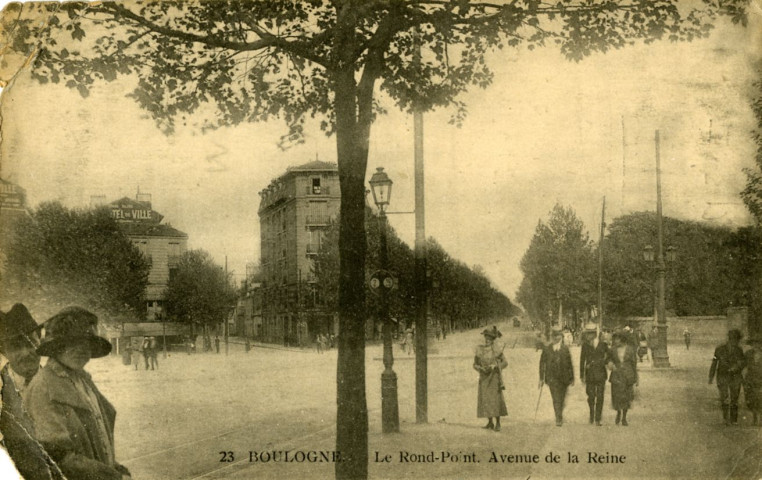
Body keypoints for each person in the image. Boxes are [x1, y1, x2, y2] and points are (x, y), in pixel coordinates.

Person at [24, 306, 132, 480]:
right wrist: (112, 477)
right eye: (72, 343)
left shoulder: (82, 380)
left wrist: (113, 466)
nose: (81, 350)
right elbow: (58, 457)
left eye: (87, 343)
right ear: (56, 347)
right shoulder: (45, 387)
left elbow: (97, 439)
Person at [0, 304, 65, 480]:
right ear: (4, 351)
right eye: (15, 347)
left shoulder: (62, 385)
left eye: (31, 343)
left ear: (39, 342)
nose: (26, 353)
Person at [709, 329, 747, 425]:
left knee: (734, 398)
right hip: (723, 375)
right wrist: (711, 376)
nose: (735, 342)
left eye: (736, 340)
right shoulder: (719, 349)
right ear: (730, 339)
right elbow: (714, 362)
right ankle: (726, 418)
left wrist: (736, 367)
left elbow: (743, 362)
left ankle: (734, 419)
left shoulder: (739, 350)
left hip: (735, 376)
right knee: (724, 397)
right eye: (733, 339)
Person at [539, 326, 574, 426]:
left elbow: (569, 364)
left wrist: (572, 378)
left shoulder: (565, 349)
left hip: (564, 378)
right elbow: (542, 364)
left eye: (558, 335)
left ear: (561, 336)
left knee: (561, 398)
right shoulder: (547, 349)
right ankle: (558, 417)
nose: (556, 338)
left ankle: (559, 414)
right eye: (554, 336)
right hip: (552, 378)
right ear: (551, 337)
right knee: (555, 398)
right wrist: (541, 378)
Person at [473, 328, 508, 431]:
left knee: (495, 400)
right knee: (486, 400)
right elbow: (474, 364)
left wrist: (496, 366)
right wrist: (480, 368)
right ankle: (490, 422)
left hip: (494, 377)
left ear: (493, 340)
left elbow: (505, 363)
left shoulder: (497, 350)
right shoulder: (480, 350)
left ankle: (498, 423)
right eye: (486, 338)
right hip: (484, 377)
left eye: (489, 339)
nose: (487, 340)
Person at [580, 323, 609, 426]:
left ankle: (598, 418)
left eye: (590, 334)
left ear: (594, 334)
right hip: (590, 375)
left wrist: (600, 362)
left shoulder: (603, 345)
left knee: (600, 396)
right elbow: (582, 360)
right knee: (591, 396)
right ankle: (591, 415)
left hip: (601, 374)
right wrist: (581, 375)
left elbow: (608, 358)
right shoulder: (585, 345)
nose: (588, 336)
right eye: (587, 334)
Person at [607, 331, 638, 426]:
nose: (616, 341)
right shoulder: (612, 349)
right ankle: (618, 413)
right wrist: (610, 364)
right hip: (616, 375)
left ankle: (624, 417)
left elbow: (634, 364)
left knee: (626, 397)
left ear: (622, 339)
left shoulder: (630, 349)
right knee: (616, 396)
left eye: (618, 339)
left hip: (627, 375)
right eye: (615, 339)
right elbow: (608, 359)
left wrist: (636, 377)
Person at [744, 334, 762, 426]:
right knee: (751, 399)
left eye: (758, 343)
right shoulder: (748, 354)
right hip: (750, 378)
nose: (756, 345)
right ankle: (755, 417)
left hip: (760, 378)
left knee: (760, 398)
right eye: (754, 343)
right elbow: (743, 365)